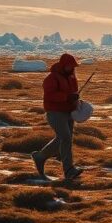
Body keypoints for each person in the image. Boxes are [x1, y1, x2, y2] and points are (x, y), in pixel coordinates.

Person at [32, 53, 84, 181]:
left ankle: (40, 157)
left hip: (68, 112)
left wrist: (76, 99)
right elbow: (49, 95)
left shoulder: (72, 77)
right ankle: (69, 170)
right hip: (55, 112)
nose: (72, 68)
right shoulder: (52, 78)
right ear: (63, 65)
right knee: (65, 138)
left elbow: (73, 93)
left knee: (64, 140)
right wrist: (67, 97)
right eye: (70, 66)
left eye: (74, 66)